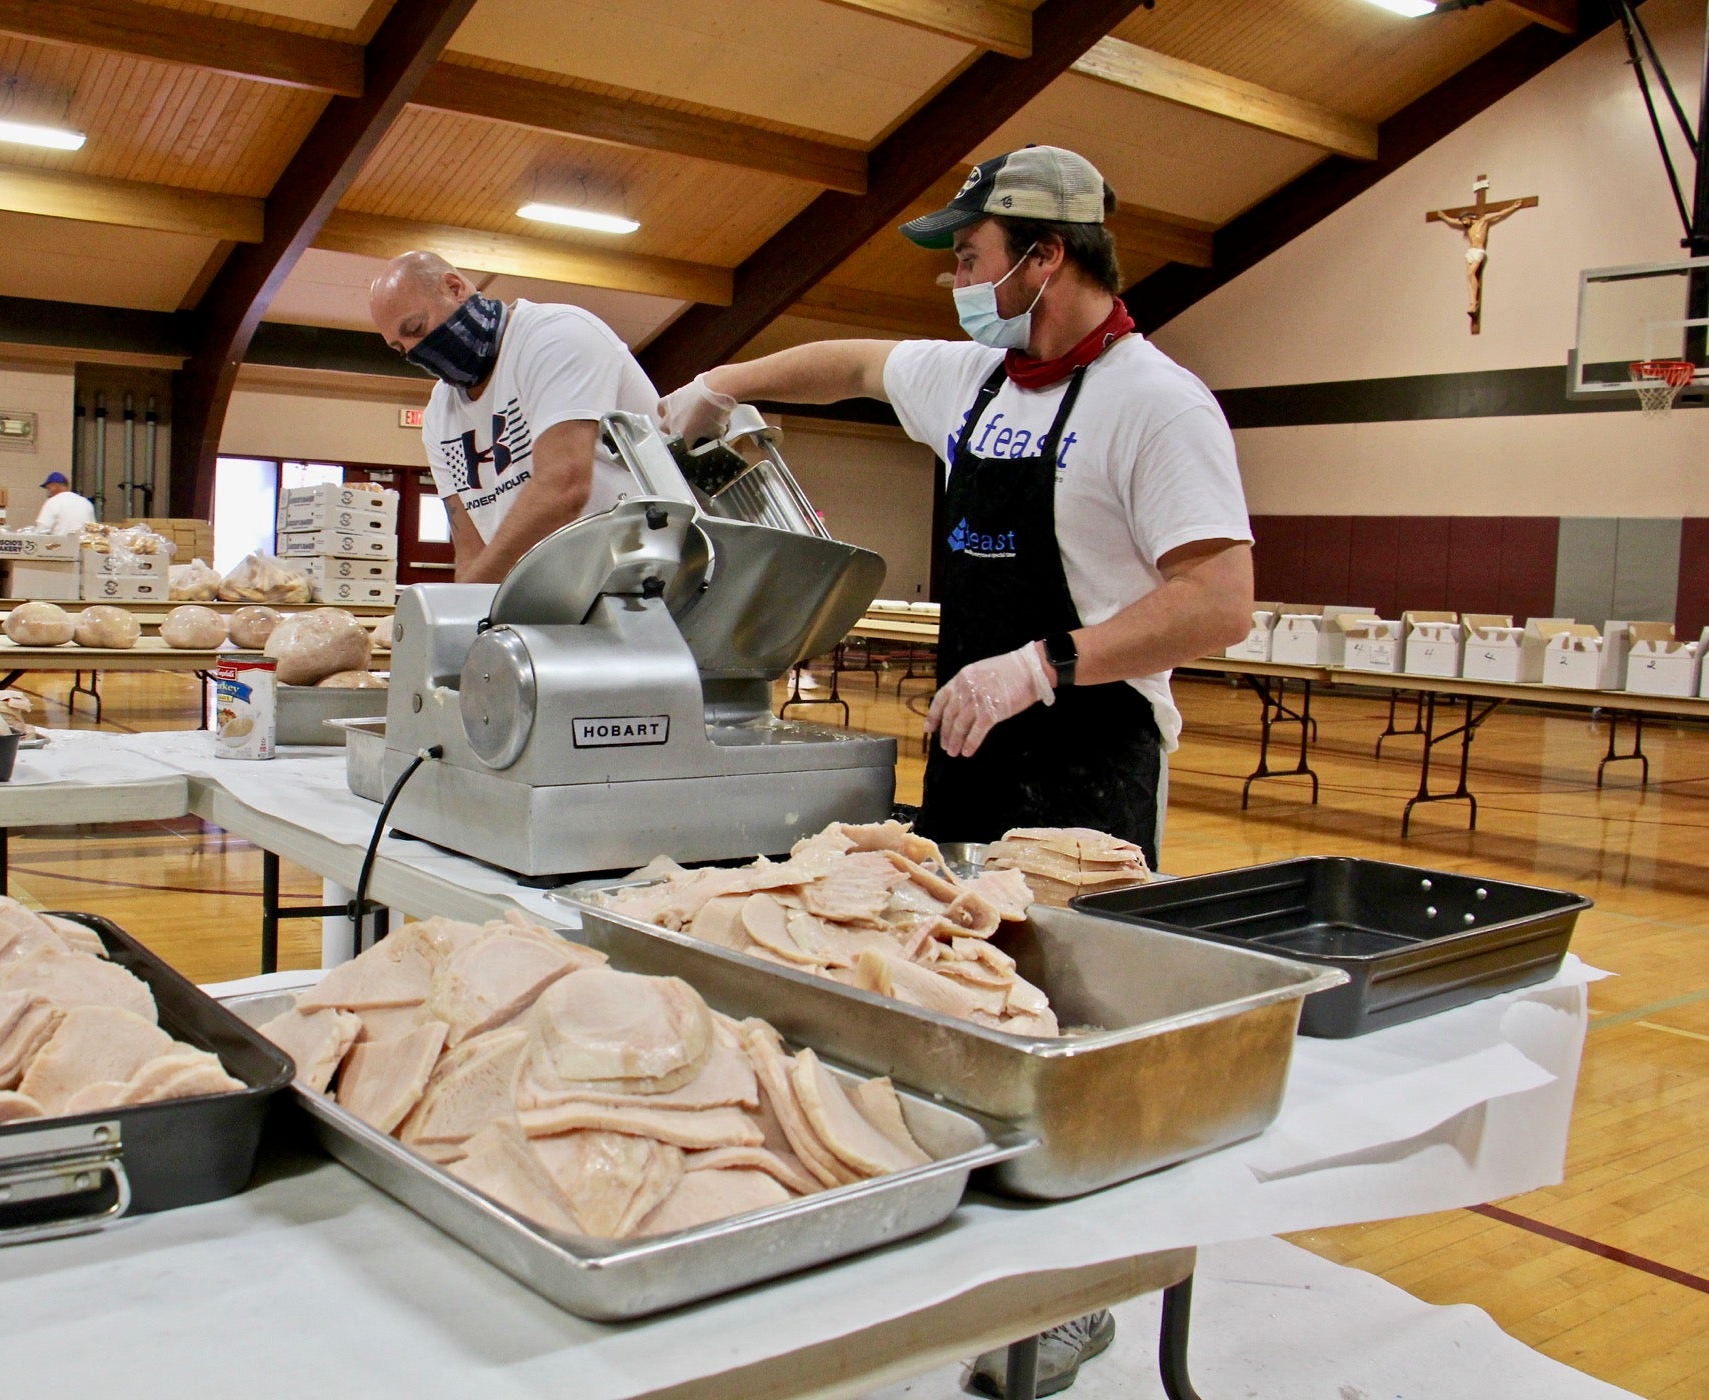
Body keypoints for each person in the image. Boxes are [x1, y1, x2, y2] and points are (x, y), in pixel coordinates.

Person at [661, 144, 1255, 1397]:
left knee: (1074, 1030)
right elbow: (850, 365)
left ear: (1046, 258)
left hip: (1089, 750)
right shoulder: (978, 377)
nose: (955, 285)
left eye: (972, 259)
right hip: (973, 740)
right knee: (955, 1000)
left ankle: (1085, 1295)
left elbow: (1218, 600)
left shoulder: (1159, 404)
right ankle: (974, 1259)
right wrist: (719, 381)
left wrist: (1044, 664)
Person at [368, 251, 660, 583]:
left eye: (417, 328)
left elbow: (564, 487)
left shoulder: (555, 336)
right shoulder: (439, 412)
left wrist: (472, 601)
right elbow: (470, 550)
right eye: (401, 348)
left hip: (648, 578)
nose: (416, 350)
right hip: (560, 596)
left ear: (454, 287)